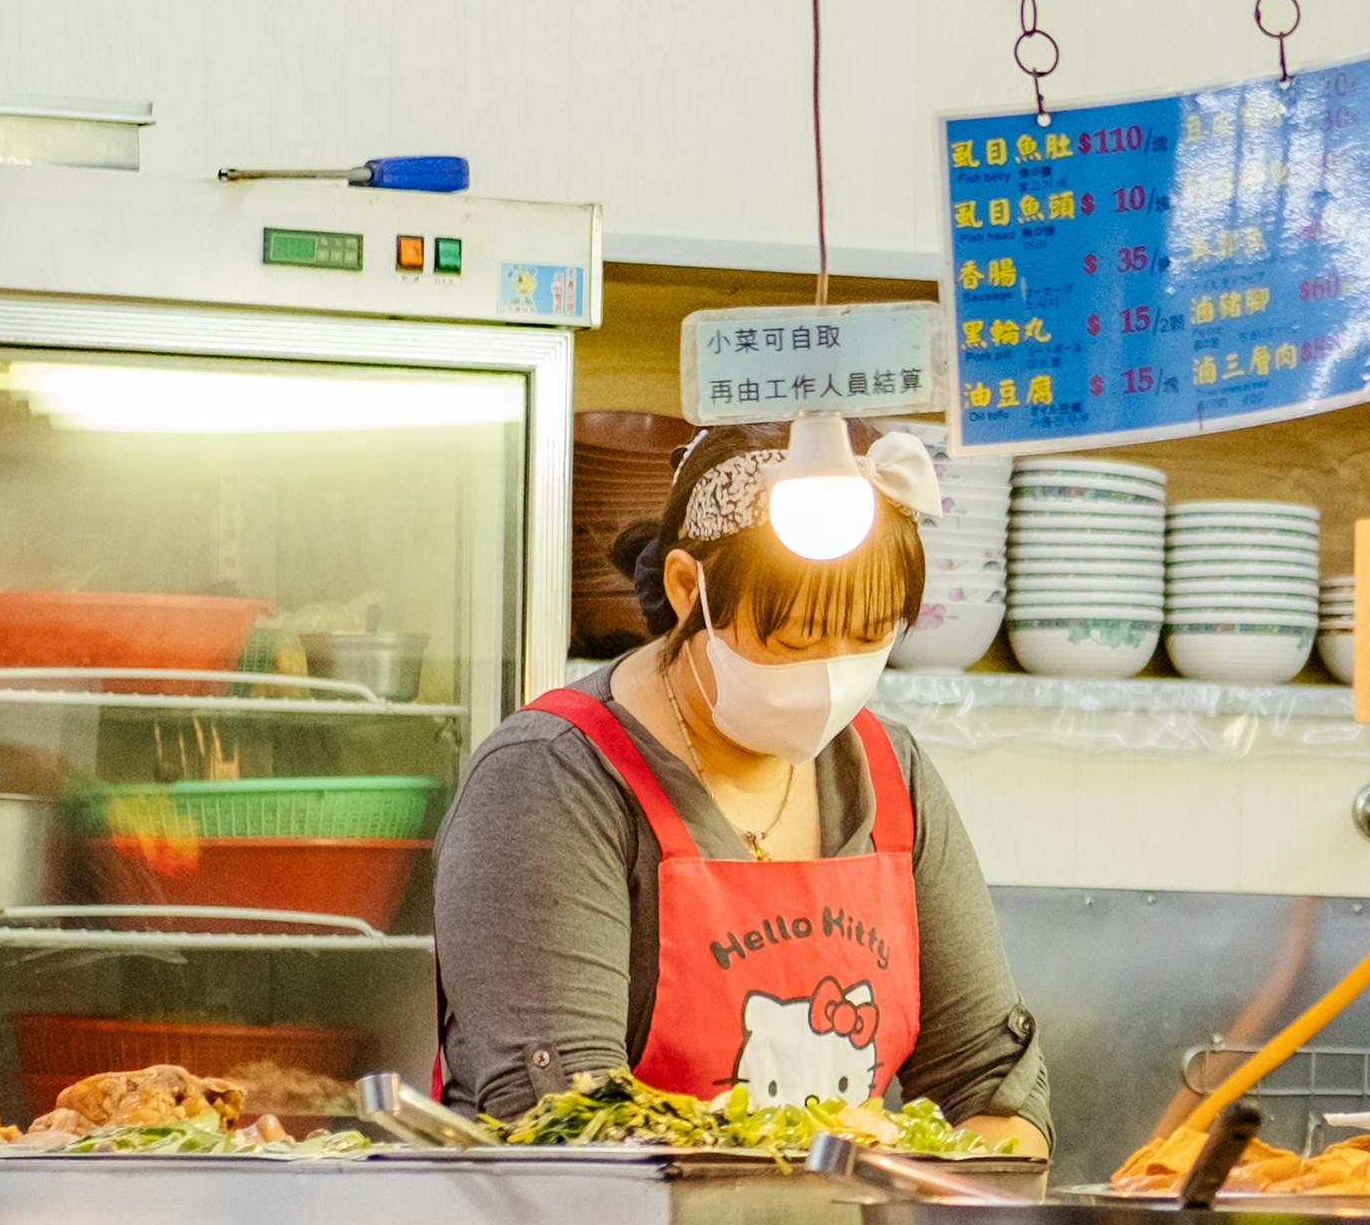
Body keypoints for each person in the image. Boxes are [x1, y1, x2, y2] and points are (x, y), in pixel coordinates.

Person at [435, 423, 1049, 1143]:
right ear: (687, 587)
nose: (831, 672)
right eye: (794, 640)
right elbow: (568, 1131)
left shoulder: (890, 776)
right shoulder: (553, 777)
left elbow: (989, 1083)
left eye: (871, 634)